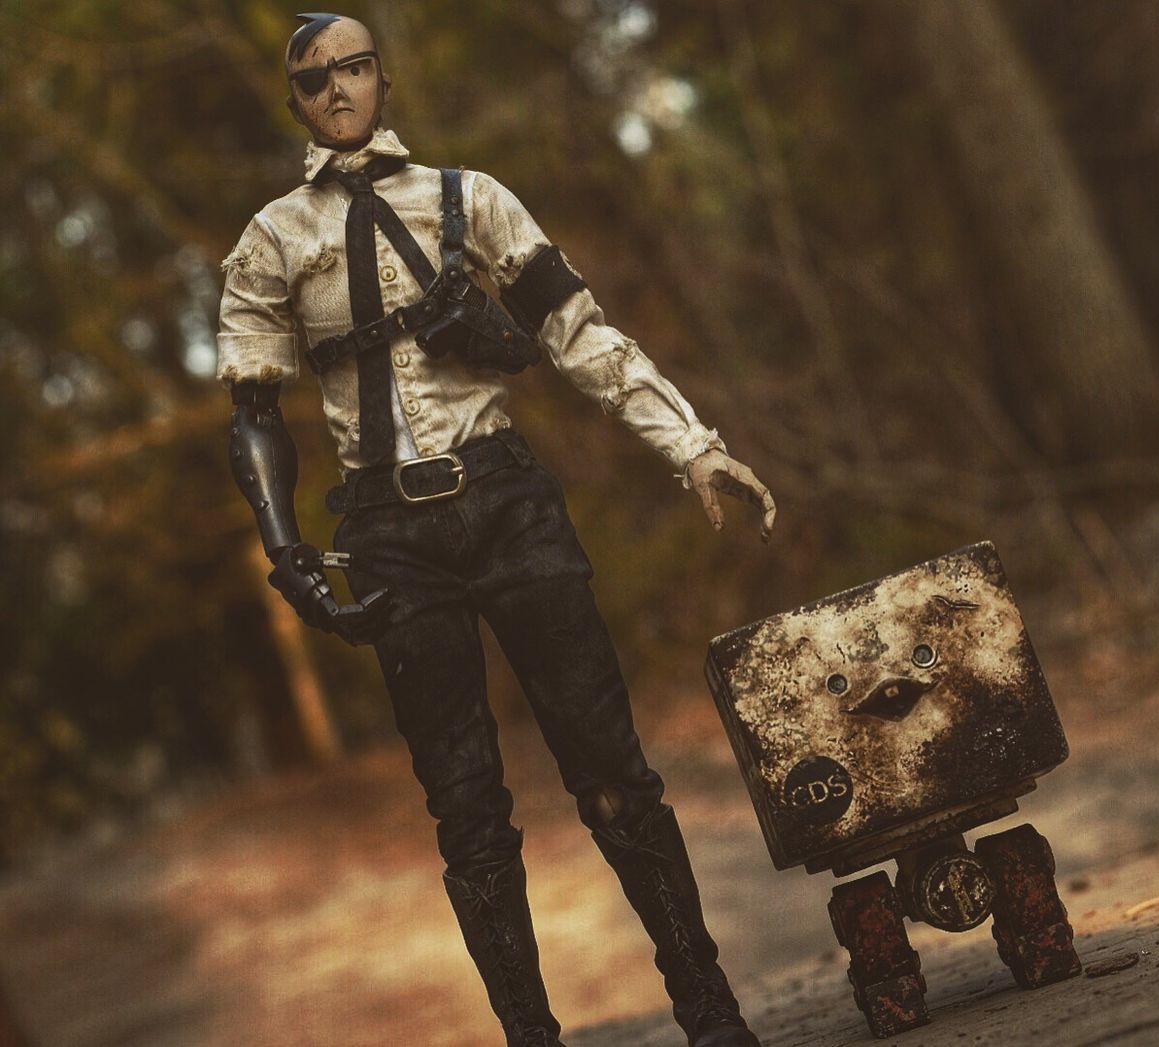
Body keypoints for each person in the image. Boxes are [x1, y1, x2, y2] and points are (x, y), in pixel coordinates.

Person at [217, 13, 774, 1047]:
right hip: (386, 533)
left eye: (353, 68)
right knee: (467, 817)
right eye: (313, 79)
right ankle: (530, 1037)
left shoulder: (466, 199)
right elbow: (252, 407)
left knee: (612, 774)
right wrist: (285, 551)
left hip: (507, 504)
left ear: (381, 77)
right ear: (292, 99)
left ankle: (709, 1008)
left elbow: (575, 328)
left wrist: (688, 445)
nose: (337, 90)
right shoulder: (270, 242)